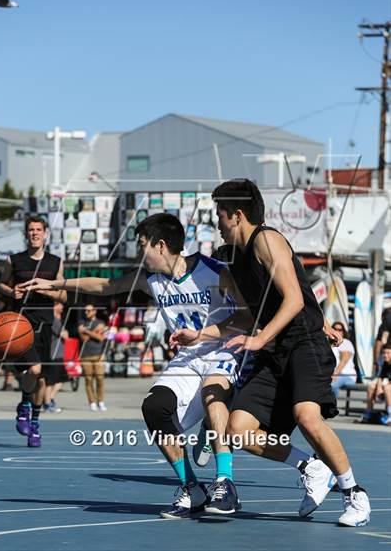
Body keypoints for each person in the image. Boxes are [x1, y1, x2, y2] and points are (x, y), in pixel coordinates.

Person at [19, 213, 253, 518]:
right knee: (155, 408)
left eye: (141, 244)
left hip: (223, 350)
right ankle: (191, 488)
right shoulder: (149, 278)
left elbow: (247, 318)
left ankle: (226, 484)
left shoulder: (213, 270)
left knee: (213, 395)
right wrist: (55, 282)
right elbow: (106, 285)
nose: (138, 251)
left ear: (160, 245)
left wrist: (202, 334)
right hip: (188, 357)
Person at [184, 179, 370, 527]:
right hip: (273, 349)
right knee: (238, 431)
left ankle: (354, 493)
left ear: (236, 215)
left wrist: (259, 339)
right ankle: (312, 467)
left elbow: (295, 299)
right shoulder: (233, 259)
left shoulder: (267, 240)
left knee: (307, 417)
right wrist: (200, 334)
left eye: (219, 215)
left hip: (303, 342)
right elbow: (243, 318)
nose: (217, 223)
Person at [0, 216, 66, 447]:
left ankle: (34, 425)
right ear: (26, 234)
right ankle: (25, 404)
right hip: (20, 325)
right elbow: (1, 284)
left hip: (46, 325)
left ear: (45, 234)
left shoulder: (56, 262)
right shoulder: (13, 260)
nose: (35, 233)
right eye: (31, 230)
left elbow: (64, 295)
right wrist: (10, 292)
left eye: (38, 229)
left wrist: (48, 291)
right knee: (34, 370)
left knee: (42, 381)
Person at [78, 304, 107, 412]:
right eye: (85, 311)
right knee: (88, 380)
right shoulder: (81, 323)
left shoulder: (100, 323)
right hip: (85, 356)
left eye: (89, 311)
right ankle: (92, 402)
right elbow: (84, 338)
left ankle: (101, 401)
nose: (87, 313)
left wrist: (86, 331)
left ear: (94, 311)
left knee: (100, 379)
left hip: (98, 355)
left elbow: (100, 338)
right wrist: (94, 332)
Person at [43, 301, 69, 413]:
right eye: (61, 304)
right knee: (50, 381)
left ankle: (51, 398)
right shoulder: (53, 320)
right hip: (53, 355)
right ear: (55, 306)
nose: (62, 307)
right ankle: (47, 404)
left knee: (62, 378)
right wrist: (64, 332)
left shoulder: (56, 319)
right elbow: (65, 335)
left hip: (58, 354)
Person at [362, 342, 391, 425]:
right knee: (371, 386)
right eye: (384, 353)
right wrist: (378, 388)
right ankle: (368, 413)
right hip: (387, 388)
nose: (385, 355)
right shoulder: (386, 363)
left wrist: (383, 387)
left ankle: (390, 416)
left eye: (388, 353)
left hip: (389, 389)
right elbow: (380, 377)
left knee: (387, 387)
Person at [330, 322, 357, 398]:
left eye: (340, 330)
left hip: (346, 375)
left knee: (331, 385)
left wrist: (335, 374)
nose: (337, 331)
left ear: (343, 332)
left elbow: (344, 360)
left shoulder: (345, 342)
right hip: (334, 375)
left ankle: (332, 408)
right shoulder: (330, 344)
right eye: (335, 329)